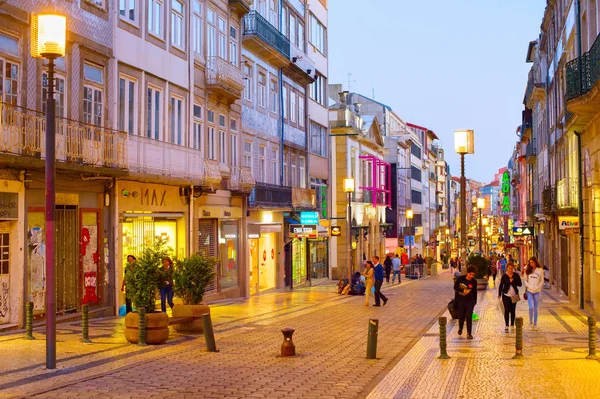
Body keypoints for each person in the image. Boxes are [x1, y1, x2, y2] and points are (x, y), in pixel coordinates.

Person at [454, 266, 478, 339]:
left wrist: (475, 301)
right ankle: (460, 328)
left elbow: (475, 292)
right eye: (470, 274)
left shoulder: (474, 281)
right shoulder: (461, 279)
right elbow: (455, 287)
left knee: (468, 316)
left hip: (470, 301)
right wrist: (462, 291)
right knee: (461, 316)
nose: (471, 276)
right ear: (467, 273)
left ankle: (469, 333)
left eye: (473, 275)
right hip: (461, 300)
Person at [498, 262, 522, 332]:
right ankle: (506, 324)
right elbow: (501, 285)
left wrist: (513, 281)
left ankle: (512, 324)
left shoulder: (516, 275)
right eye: (509, 268)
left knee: (513, 310)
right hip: (506, 295)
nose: (510, 270)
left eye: (511, 268)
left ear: (513, 268)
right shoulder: (504, 276)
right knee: (506, 310)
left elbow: (520, 284)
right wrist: (499, 294)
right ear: (507, 268)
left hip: (514, 295)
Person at [524, 256, 544, 330]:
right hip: (529, 291)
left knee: (535, 307)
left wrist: (538, 287)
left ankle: (535, 323)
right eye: (530, 262)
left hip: (537, 291)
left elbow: (542, 280)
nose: (531, 264)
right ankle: (530, 322)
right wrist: (528, 286)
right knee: (531, 307)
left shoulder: (540, 270)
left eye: (532, 262)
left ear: (535, 262)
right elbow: (525, 280)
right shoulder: (527, 270)